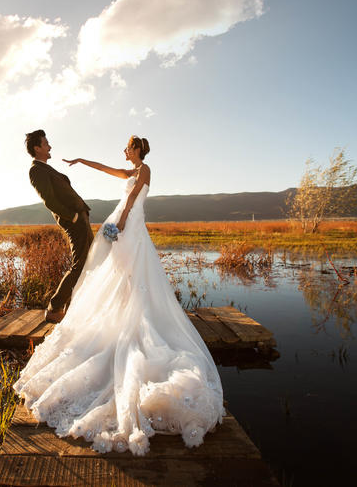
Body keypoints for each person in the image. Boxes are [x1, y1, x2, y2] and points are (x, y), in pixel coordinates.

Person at [14, 136, 225, 456]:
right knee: (116, 275)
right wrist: (83, 162)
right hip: (124, 224)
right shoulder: (130, 171)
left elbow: (132, 200)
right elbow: (107, 169)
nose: (125, 152)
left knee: (129, 274)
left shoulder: (144, 171)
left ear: (138, 150)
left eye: (128, 148)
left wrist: (121, 224)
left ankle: (130, 316)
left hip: (130, 225)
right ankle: (114, 311)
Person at [25, 129, 94, 323]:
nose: (50, 146)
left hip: (81, 217)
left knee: (90, 262)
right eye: (46, 143)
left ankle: (70, 307)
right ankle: (54, 308)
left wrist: (81, 214)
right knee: (80, 265)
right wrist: (72, 217)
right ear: (37, 148)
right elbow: (49, 200)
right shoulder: (36, 170)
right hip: (74, 221)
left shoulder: (47, 168)